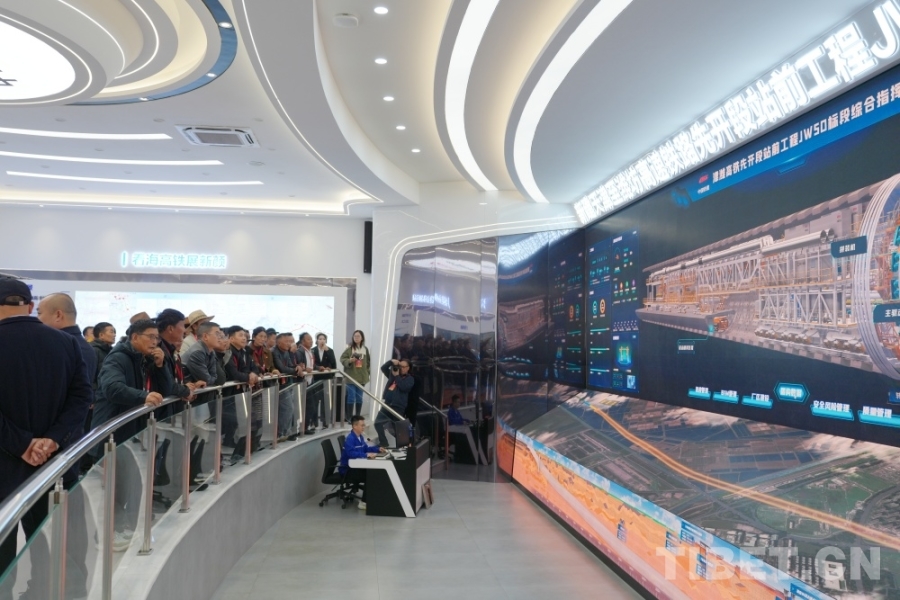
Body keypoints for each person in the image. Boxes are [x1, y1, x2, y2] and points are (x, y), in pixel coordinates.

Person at [0, 277, 92, 592]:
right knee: (49, 540)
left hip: (4, 468)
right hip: (54, 465)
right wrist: (51, 439)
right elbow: (82, 397)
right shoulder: (66, 343)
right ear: (29, 306)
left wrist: (22, 444)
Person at [36, 293, 97, 403]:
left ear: (58, 315)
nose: (37, 319)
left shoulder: (62, 347)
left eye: (39, 313)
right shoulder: (84, 347)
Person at [339, 415, 383, 509]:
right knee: (370, 475)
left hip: (356, 467)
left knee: (374, 472)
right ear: (355, 426)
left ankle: (372, 498)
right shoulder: (350, 439)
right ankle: (363, 502)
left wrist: (378, 449)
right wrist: (366, 455)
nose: (364, 427)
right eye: (362, 425)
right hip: (348, 470)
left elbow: (366, 448)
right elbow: (351, 453)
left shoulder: (360, 437)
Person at [375, 358, 414, 447]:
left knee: (398, 429)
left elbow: (404, 387)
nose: (401, 368)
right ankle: (383, 442)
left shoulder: (410, 379)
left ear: (408, 368)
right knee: (377, 423)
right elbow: (383, 368)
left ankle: (403, 446)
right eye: (400, 366)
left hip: (398, 406)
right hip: (388, 404)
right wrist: (391, 362)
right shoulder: (393, 375)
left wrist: (397, 376)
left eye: (404, 367)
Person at [340, 330, 370, 421]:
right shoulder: (349, 349)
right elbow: (342, 359)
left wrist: (367, 372)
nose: (356, 338)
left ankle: (357, 417)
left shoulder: (365, 349)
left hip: (361, 377)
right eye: (355, 336)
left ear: (362, 338)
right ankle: (349, 417)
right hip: (351, 377)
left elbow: (368, 362)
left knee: (359, 398)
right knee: (351, 397)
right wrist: (349, 361)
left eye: (358, 336)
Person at [182, 321, 222, 387]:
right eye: (217, 334)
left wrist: (212, 379)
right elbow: (206, 380)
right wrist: (212, 379)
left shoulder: (211, 351)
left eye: (220, 334)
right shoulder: (197, 352)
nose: (220, 337)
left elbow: (214, 376)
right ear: (205, 336)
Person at [313, 332, 336, 428]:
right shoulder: (313, 350)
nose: (322, 341)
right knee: (315, 401)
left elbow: (333, 364)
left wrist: (327, 351)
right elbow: (312, 364)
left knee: (325, 400)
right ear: (316, 340)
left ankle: (325, 421)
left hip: (327, 379)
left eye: (323, 339)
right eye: (320, 339)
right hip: (316, 379)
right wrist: (318, 368)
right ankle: (314, 422)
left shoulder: (330, 350)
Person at [296, 332, 318, 434]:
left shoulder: (310, 351)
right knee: (308, 406)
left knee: (311, 405)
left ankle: (306, 426)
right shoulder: (300, 351)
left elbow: (312, 365)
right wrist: (304, 369)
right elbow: (298, 365)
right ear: (302, 341)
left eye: (311, 339)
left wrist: (319, 368)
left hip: (310, 381)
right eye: (308, 339)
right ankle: (303, 428)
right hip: (302, 382)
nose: (311, 341)